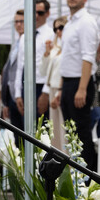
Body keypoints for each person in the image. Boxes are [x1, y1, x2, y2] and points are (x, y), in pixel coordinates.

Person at [53, 0, 100, 167]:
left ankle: (90, 178)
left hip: (81, 83)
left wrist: (81, 89)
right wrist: (61, 90)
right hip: (69, 83)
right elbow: (68, 59)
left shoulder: (86, 22)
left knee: (81, 131)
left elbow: (87, 57)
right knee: (71, 133)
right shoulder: (70, 22)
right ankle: (77, 174)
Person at [14, 0, 52, 124]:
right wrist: (18, 93)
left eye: (40, 13)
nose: (36, 16)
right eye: (33, 12)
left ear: (47, 14)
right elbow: (20, 66)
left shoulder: (52, 35)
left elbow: (52, 67)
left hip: (42, 86)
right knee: (27, 128)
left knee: (44, 130)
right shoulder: (24, 37)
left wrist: (46, 92)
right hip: (27, 86)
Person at [1, 11, 25, 139]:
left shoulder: (30, 42)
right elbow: (8, 72)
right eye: (16, 21)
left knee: (26, 136)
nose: (19, 24)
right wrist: (5, 102)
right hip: (11, 97)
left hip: (23, 95)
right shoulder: (16, 44)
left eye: (22, 21)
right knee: (17, 139)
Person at [43, 18, 65, 148]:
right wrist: (47, 53)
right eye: (55, 29)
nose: (58, 31)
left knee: (63, 126)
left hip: (61, 86)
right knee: (55, 128)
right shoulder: (55, 48)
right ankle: (58, 158)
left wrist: (60, 91)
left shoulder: (68, 45)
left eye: (61, 28)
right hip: (52, 86)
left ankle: (68, 159)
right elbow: (43, 71)